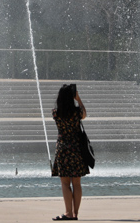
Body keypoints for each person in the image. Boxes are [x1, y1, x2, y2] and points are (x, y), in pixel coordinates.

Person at [51, 83, 88, 221]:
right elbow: (84, 115)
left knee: (65, 183)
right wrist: (78, 99)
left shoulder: (56, 112)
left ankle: (68, 213)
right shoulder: (77, 112)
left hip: (63, 149)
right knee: (76, 183)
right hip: (76, 149)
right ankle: (75, 213)